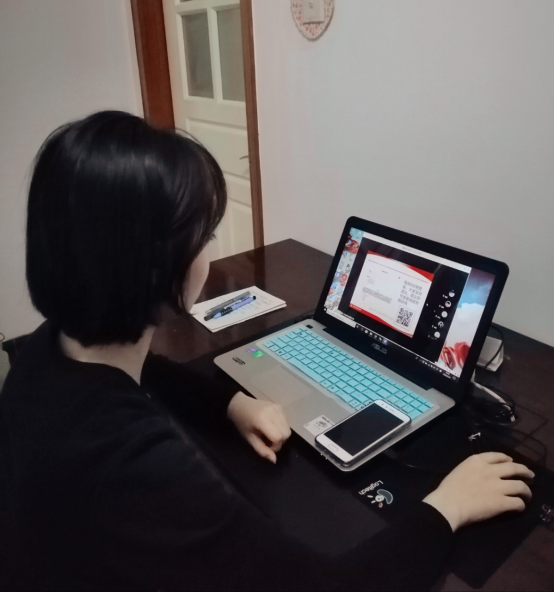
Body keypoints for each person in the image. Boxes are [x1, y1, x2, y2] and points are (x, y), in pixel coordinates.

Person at [0, 112, 534, 592]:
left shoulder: (44, 354)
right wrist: (447, 507)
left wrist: (233, 404)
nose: (209, 251)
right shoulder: (142, 468)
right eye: (204, 236)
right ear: (157, 263)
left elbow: (151, 373)